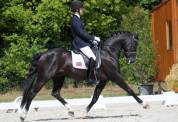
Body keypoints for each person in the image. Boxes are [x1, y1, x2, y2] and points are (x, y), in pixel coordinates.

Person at [70, 0, 100, 84]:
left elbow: (83, 34)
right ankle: (89, 79)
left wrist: (92, 41)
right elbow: (81, 33)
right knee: (93, 58)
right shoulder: (75, 20)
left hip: (83, 42)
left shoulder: (78, 19)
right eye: (81, 9)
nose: (83, 10)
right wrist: (93, 38)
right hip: (80, 44)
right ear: (77, 10)